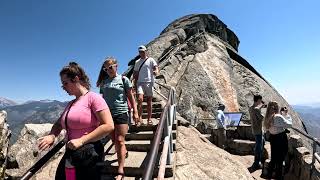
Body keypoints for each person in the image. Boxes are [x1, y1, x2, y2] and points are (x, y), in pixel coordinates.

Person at [38, 62, 114, 180]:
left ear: (76, 79)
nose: (63, 88)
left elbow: (108, 125)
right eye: (62, 85)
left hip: (89, 153)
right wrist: (52, 135)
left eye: (65, 83)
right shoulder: (71, 104)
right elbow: (59, 124)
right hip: (71, 154)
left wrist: (82, 140)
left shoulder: (93, 98)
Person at [96, 57, 139, 180]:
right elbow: (102, 100)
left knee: (119, 140)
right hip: (107, 115)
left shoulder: (123, 79)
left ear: (116, 66)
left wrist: (135, 112)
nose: (108, 70)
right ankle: (123, 152)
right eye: (106, 68)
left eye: (110, 67)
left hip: (121, 112)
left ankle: (120, 170)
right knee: (114, 141)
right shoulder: (104, 83)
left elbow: (130, 96)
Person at [264, 101, 292, 180]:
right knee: (280, 161)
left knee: (273, 159)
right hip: (280, 139)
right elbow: (289, 124)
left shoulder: (267, 117)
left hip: (273, 138)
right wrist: (286, 114)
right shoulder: (277, 117)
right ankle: (278, 177)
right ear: (277, 108)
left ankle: (269, 176)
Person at [133, 45, 159, 125]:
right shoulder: (137, 62)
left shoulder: (151, 60)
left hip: (149, 82)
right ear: (139, 52)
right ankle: (140, 119)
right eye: (140, 52)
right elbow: (135, 73)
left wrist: (156, 71)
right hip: (140, 82)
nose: (142, 53)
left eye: (143, 51)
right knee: (140, 100)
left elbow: (155, 67)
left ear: (146, 51)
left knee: (149, 101)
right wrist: (134, 84)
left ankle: (149, 119)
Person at [249, 94, 266, 170]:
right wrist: (262, 109)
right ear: (258, 100)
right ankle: (257, 163)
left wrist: (260, 107)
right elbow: (262, 117)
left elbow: (256, 114)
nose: (261, 102)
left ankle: (258, 160)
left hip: (255, 130)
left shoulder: (251, 108)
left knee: (261, 144)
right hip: (258, 130)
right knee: (259, 147)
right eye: (260, 100)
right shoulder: (256, 109)